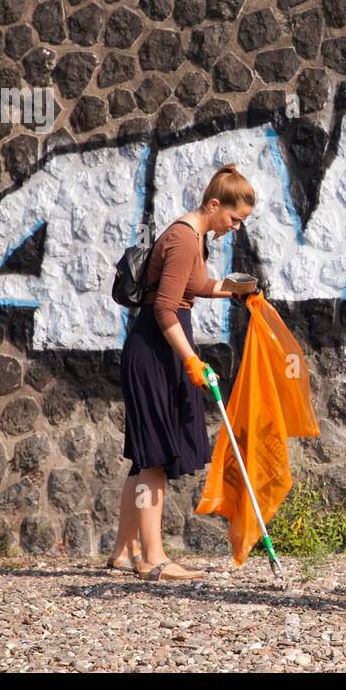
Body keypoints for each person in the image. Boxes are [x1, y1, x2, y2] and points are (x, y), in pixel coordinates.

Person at [110, 164, 258, 581]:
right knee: (154, 457)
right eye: (233, 218)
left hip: (157, 345)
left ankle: (125, 551)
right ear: (214, 204)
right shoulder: (182, 239)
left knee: (144, 456)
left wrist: (235, 289)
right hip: (158, 348)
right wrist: (190, 358)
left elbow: (194, 287)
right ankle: (153, 559)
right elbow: (163, 309)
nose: (235, 227)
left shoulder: (194, 237)